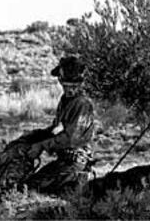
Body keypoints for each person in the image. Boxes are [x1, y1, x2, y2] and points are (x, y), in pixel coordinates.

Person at [23, 55, 95, 196]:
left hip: (76, 163)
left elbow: (70, 139)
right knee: (29, 185)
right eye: (66, 85)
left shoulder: (82, 103)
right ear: (60, 81)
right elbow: (57, 129)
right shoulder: (65, 100)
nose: (69, 89)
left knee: (33, 189)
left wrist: (41, 146)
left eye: (73, 86)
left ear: (80, 83)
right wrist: (35, 137)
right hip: (64, 161)